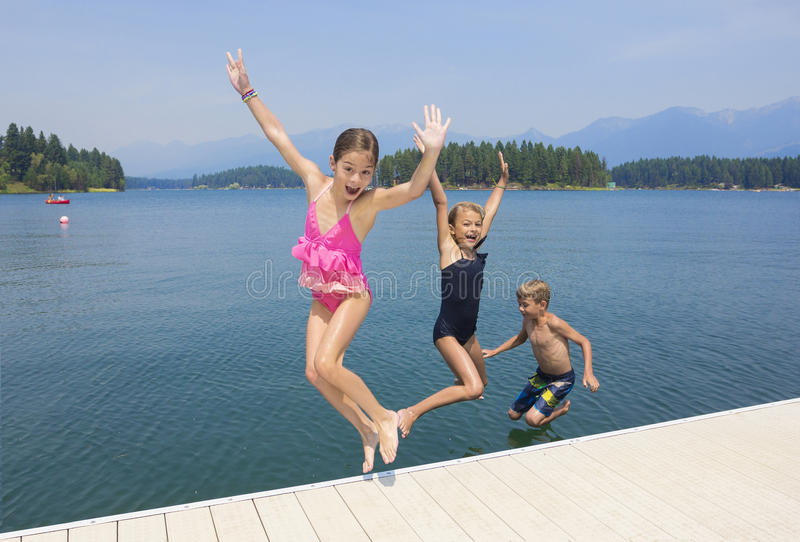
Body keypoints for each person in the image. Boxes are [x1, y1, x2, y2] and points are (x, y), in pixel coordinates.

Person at [226, 49, 450, 472]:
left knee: (329, 363)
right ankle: (365, 429)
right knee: (315, 373)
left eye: (366, 173)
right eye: (349, 169)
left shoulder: (365, 206)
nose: (356, 180)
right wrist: (247, 92)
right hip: (322, 297)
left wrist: (432, 152)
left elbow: (415, 190)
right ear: (333, 163)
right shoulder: (314, 182)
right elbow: (277, 135)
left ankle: (383, 416)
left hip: (353, 296)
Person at [397, 139, 509, 438]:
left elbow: (490, 210)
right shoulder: (449, 251)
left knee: (480, 386)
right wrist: (429, 158)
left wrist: (502, 181)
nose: (473, 229)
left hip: (469, 334)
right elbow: (441, 201)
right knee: (473, 389)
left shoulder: (474, 248)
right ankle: (412, 411)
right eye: (466, 225)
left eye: (476, 225)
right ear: (452, 230)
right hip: (446, 333)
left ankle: (463, 382)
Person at [482, 280, 599, 427]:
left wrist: (588, 372)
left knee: (531, 420)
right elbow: (520, 339)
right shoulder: (528, 321)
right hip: (542, 376)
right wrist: (495, 351)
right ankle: (542, 407)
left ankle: (559, 411)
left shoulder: (554, 323)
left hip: (562, 380)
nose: (520, 309)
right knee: (513, 414)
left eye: (525, 305)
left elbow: (584, 342)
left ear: (542, 305)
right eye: (519, 304)